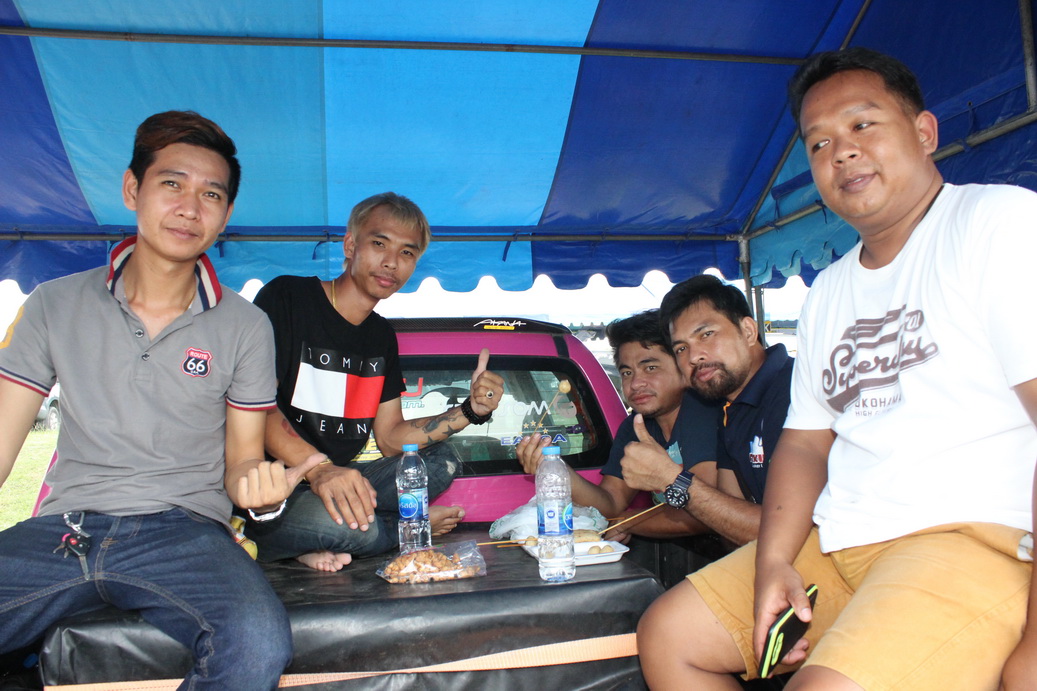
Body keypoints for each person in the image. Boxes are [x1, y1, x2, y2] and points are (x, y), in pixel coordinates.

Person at [637, 47, 1037, 691]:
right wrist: (773, 562)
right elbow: (803, 444)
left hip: (968, 539)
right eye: (819, 143)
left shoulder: (997, 224)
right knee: (668, 636)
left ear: (925, 132)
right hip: (841, 539)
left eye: (862, 124)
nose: (842, 152)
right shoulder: (829, 291)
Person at [0, 111, 319, 689]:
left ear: (225, 215)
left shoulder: (246, 326)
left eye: (211, 194)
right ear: (132, 190)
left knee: (256, 641)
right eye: (172, 183)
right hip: (63, 529)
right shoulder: (52, 304)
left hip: (183, 532)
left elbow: (243, 462)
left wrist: (261, 496)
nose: (190, 208)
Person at [245, 192, 505, 571]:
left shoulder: (381, 337)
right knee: (355, 531)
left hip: (339, 483)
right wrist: (320, 470)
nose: (391, 262)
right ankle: (406, 528)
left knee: (441, 462)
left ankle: (321, 536)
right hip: (274, 489)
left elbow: (390, 438)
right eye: (379, 244)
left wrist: (470, 410)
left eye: (407, 252)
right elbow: (256, 407)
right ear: (351, 245)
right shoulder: (287, 297)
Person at [517, 310, 722, 540]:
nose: (635, 383)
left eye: (650, 368)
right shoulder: (635, 426)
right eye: (627, 372)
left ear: (683, 368)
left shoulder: (703, 412)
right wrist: (557, 468)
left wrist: (628, 522)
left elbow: (702, 512)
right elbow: (611, 503)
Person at [625, 274, 793, 547]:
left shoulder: (799, 392)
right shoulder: (729, 408)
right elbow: (729, 520)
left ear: (748, 331)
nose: (694, 357)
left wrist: (671, 478)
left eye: (706, 334)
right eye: (681, 348)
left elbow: (788, 532)